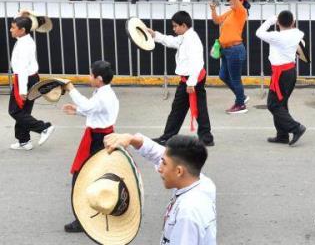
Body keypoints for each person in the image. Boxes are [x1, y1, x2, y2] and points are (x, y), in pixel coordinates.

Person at [103, 133, 217, 244]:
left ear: (179, 171)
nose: (159, 168)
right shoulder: (202, 183)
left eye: (164, 163)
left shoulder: (187, 214)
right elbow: (160, 154)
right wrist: (132, 139)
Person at [61, 60, 119, 233]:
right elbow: (95, 110)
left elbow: (89, 106)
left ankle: (83, 220)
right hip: (104, 137)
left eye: (90, 74)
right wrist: (78, 111)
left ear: (98, 78)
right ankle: (100, 213)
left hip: (97, 140)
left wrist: (71, 89)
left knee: (82, 179)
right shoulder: (105, 92)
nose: (89, 76)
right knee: (99, 177)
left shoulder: (103, 95)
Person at [147, 11, 214, 147]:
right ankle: (206, 137)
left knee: (178, 109)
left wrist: (191, 83)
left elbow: (197, 63)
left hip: (191, 79)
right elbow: (172, 41)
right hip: (191, 79)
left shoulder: (192, 40)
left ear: (184, 25)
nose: (174, 29)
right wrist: (155, 35)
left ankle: (168, 137)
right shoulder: (185, 37)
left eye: (175, 26)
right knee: (198, 108)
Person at [256, 10, 307, 145]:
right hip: (289, 71)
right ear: (293, 22)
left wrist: (271, 21)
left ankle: (296, 128)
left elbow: (259, 32)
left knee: (273, 104)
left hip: (281, 74)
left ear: (278, 23)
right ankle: (282, 135)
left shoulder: (276, 36)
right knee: (281, 103)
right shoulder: (297, 34)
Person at [8, 15, 54, 151]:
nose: (10, 30)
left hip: (25, 80)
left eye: (13, 28)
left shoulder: (24, 45)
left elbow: (22, 70)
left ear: (22, 30)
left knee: (15, 111)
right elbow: (22, 21)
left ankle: (44, 128)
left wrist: (22, 90)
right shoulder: (25, 38)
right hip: (31, 78)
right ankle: (24, 141)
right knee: (24, 111)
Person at [211, 0, 249, 115]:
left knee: (235, 78)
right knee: (223, 76)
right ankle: (241, 97)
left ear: (240, 0)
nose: (229, 0)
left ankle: (240, 104)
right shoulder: (231, 12)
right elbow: (217, 21)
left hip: (234, 50)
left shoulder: (241, 11)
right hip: (227, 50)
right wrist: (213, 9)